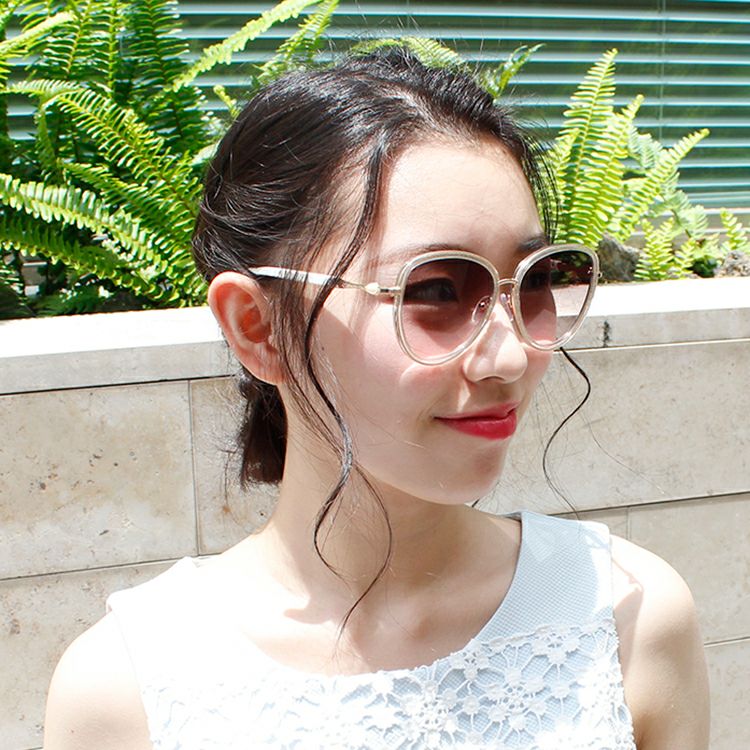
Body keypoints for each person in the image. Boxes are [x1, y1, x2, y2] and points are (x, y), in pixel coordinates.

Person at [44, 48, 709, 750]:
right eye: (435, 289)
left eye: (537, 279)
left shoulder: (629, 617)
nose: (511, 356)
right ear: (258, 327)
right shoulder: (126, 690)